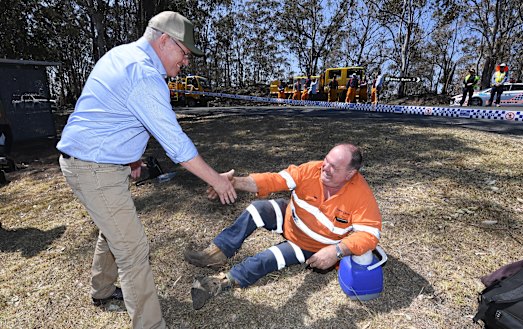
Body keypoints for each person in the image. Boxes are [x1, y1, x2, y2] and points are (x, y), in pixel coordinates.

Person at [56, 11, 236, 329]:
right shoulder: (144, 75)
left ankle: (101, 289)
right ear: (164, 40)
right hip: (94, 168)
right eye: (185, 52)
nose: (186, 62)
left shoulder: (122, 55)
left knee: (113, 229)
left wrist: (132, 157)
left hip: (91, 162)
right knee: (134, 249)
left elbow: (110, 113)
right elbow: (177, 146)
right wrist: (217, 180)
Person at [184, 143, 382, 310]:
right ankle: (216, 254)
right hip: (291, 219)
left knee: (265, 259)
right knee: (257, 209)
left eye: (334, 167)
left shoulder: (361, 195)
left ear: (350, 174)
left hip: (309, 246)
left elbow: (370, 234)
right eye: (326, 161)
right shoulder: (311, 170)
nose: (325, 168)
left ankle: (222, 281)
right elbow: (275, 179)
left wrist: (336, 251)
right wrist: (234, 182)